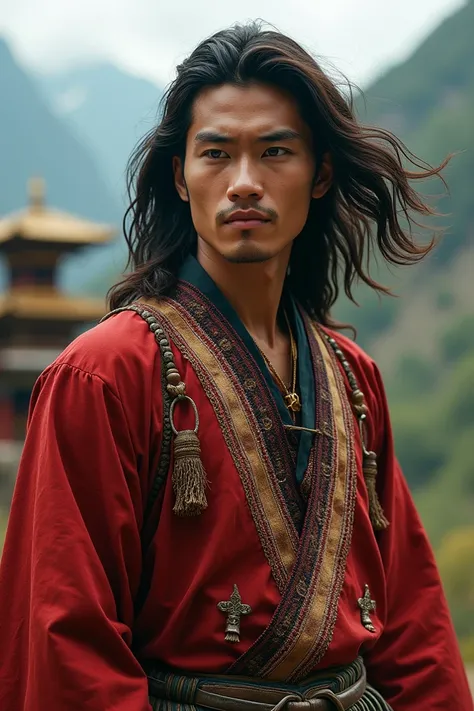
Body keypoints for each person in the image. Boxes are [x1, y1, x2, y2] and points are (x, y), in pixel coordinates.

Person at [0, 22, 471, 711]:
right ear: (180, 176)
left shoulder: (353, 380)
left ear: (321, 174)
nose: (244, 182)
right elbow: (65, 639)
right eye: (216, 153)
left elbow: (414, 630)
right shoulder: (104, 374)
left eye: (275, 151)